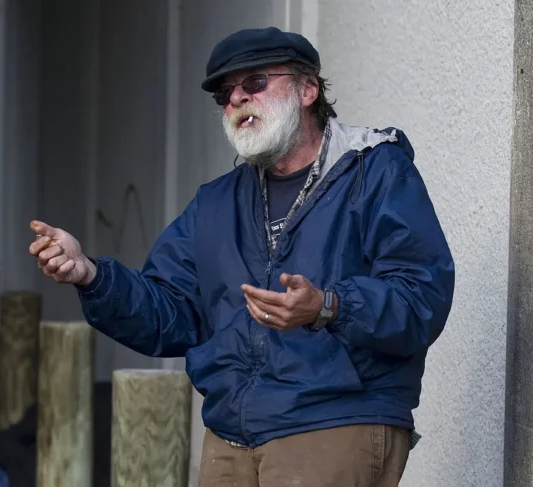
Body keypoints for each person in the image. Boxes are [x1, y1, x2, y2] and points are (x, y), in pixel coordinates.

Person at [28, 26, 454, 487]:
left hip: (334, 422)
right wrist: (90, 275)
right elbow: (169, 315)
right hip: (229, 438)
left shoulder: (376, 170)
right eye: (225, 95)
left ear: (308, 88)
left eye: (254, 83)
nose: (236, 100)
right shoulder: (216, 203)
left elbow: (421, 296)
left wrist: (327, 307)